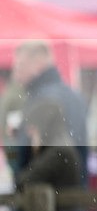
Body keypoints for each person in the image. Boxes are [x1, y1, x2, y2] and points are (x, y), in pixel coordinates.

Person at [7, 41, 88, 183]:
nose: (16, 74)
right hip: (74, 190)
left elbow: (26, 156)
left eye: (21, 66)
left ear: (38, 64)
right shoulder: (74, 96)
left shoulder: (40, 99)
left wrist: (17, 137)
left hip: (45, 194)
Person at [16, 99, 81, 194]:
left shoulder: (58, 152)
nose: (29, 134)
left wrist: (35, 150)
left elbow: (24, 181)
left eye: (33, 128)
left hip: (61, 207)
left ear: (42, 127)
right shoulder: (60, 144)